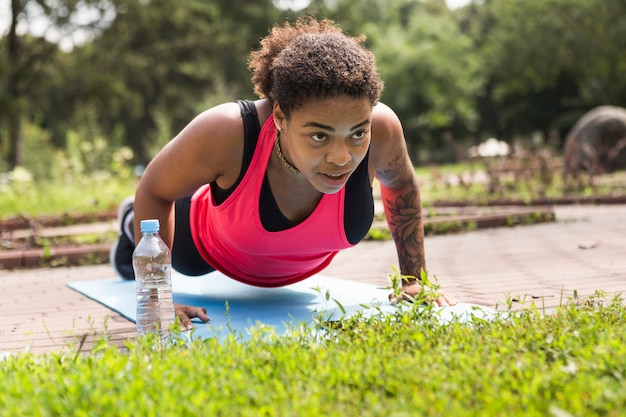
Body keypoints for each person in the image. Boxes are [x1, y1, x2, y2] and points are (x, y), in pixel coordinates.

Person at [110, 17, 458, 330]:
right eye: (319, 136)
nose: (341, 158)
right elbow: (155, 190)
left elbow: (401, 183)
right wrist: (156, 298)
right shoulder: (229, 131)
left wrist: (414, 279)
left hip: (294, 270)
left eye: (357, 134)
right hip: (203, 248)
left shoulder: (383, 130)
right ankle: (128, 220)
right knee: (151, 224)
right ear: (279, 118)